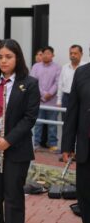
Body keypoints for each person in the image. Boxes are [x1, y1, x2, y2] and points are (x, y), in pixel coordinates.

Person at [0, 39, 40, 223]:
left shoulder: (30, 83)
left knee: (13, 197)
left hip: (16, 147)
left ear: (17, 58)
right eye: (0, 57)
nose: (3, 61)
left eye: (8, 57)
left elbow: (29, 117)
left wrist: (8, 141)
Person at [61, 62, 90, 223]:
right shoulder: (81, 73)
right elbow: (72, 111)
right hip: (86, 149)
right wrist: (67, 145)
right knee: (85, 196)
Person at [30, 46, 61, 151]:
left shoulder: (57, 67)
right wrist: (43, 94)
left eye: (49, 53)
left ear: (53, 55)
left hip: (52, 101)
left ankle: (52, 144)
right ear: (41, 55)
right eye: (44, 53)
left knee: (52, 124)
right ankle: (36, 143)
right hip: (38, 100)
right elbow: (33, 81)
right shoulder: (36, 67)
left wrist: (50, 93)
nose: (46, 55)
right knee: (37, 123)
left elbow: (58, 83)